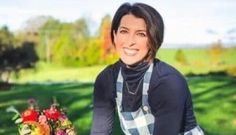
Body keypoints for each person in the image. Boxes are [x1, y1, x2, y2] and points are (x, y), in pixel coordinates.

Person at [90, 2, 205, 135]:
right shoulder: (106, 80)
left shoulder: (168, 83)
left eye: (141, 34)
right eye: (124, 31)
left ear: (153, 40)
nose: (130, 41)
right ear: (115, 35)